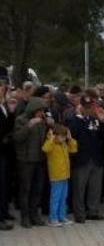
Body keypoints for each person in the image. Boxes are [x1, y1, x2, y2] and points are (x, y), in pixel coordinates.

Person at [66, 94, 104, 223]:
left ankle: (93, 211)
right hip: (81, 159)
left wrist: (102, 121)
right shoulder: (74, 120)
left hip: (96, 158)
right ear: (81, 107)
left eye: (90, 107)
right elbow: (72, 135)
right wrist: (80, 118)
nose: (88, 109)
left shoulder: (95, 120)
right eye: (86, 107)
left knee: (95, 187)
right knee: (79, 188)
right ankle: (79, 213)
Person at [13, 96, 50, 228]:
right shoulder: (21, 119)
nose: (42, 113)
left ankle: (35, 215)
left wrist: (50, 125)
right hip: (26, 160)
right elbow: (17, 138)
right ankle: (25, 217)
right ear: (33, 109)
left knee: (38, 189)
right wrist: (29, 125)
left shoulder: (42, 121)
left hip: (39, 160)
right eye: (40, 110)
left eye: (43, 111)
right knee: (25, 190)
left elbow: (45, 138)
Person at [42, 124, 78, 227]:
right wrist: (51, 139)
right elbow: (45, 149)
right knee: (55, 198)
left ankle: (61, 216)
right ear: (55, 135)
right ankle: (53, 218)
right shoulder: (51, 144)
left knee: (63, 197)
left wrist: (70, 139)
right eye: (61, 136)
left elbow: (74, 149)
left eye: (64, 136)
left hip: (65, 175)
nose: (63, 138)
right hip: (56, 176)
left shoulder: (64, 144)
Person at [0, 82, 15, 230]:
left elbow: (8, 125)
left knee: (5, 184)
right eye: (2, 89)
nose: (4, 92)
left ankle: (4, 213)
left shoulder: (3, 106)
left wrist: (11, 112)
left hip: (6, 151)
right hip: (1, 149)